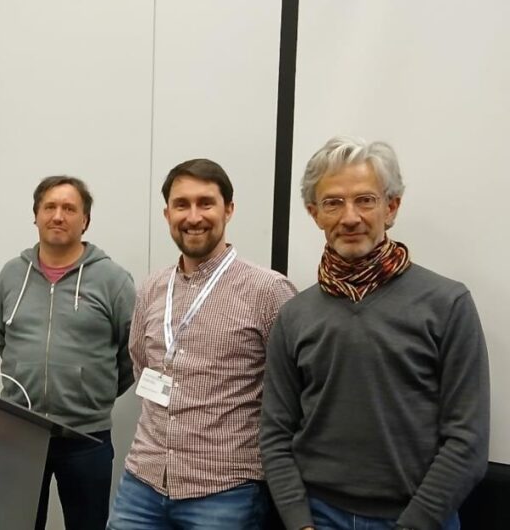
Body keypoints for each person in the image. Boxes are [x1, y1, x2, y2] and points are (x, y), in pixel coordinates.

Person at [260, 136, 490, 530]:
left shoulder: (447, 304)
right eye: (333, 203)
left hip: (420, 519)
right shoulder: (295, 315)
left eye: (365, 200)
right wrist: (300, 523)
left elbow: (467, 440)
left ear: (391, 206)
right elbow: (275, 434)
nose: (350, 217)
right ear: (315, 214)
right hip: (319, 517)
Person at [107, 159, 296, 529]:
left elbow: (292, 391)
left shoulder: (268, 291)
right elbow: (142, 363)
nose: (193, 216)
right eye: (182, 204)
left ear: (229, 209)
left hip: (225, 489)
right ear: (167, 214)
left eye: (205, 203)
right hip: (143, 481)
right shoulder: (152, 287)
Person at [0, 175, 135, 530]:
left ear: (85, 220)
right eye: (50, 207)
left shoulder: (113, 280)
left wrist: (90, 390)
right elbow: (2, 337)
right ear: (36, 215)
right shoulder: (11, 274)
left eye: (69, 208)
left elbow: (131, 353)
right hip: (20, 433)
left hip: (87, 438)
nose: (58, 216)